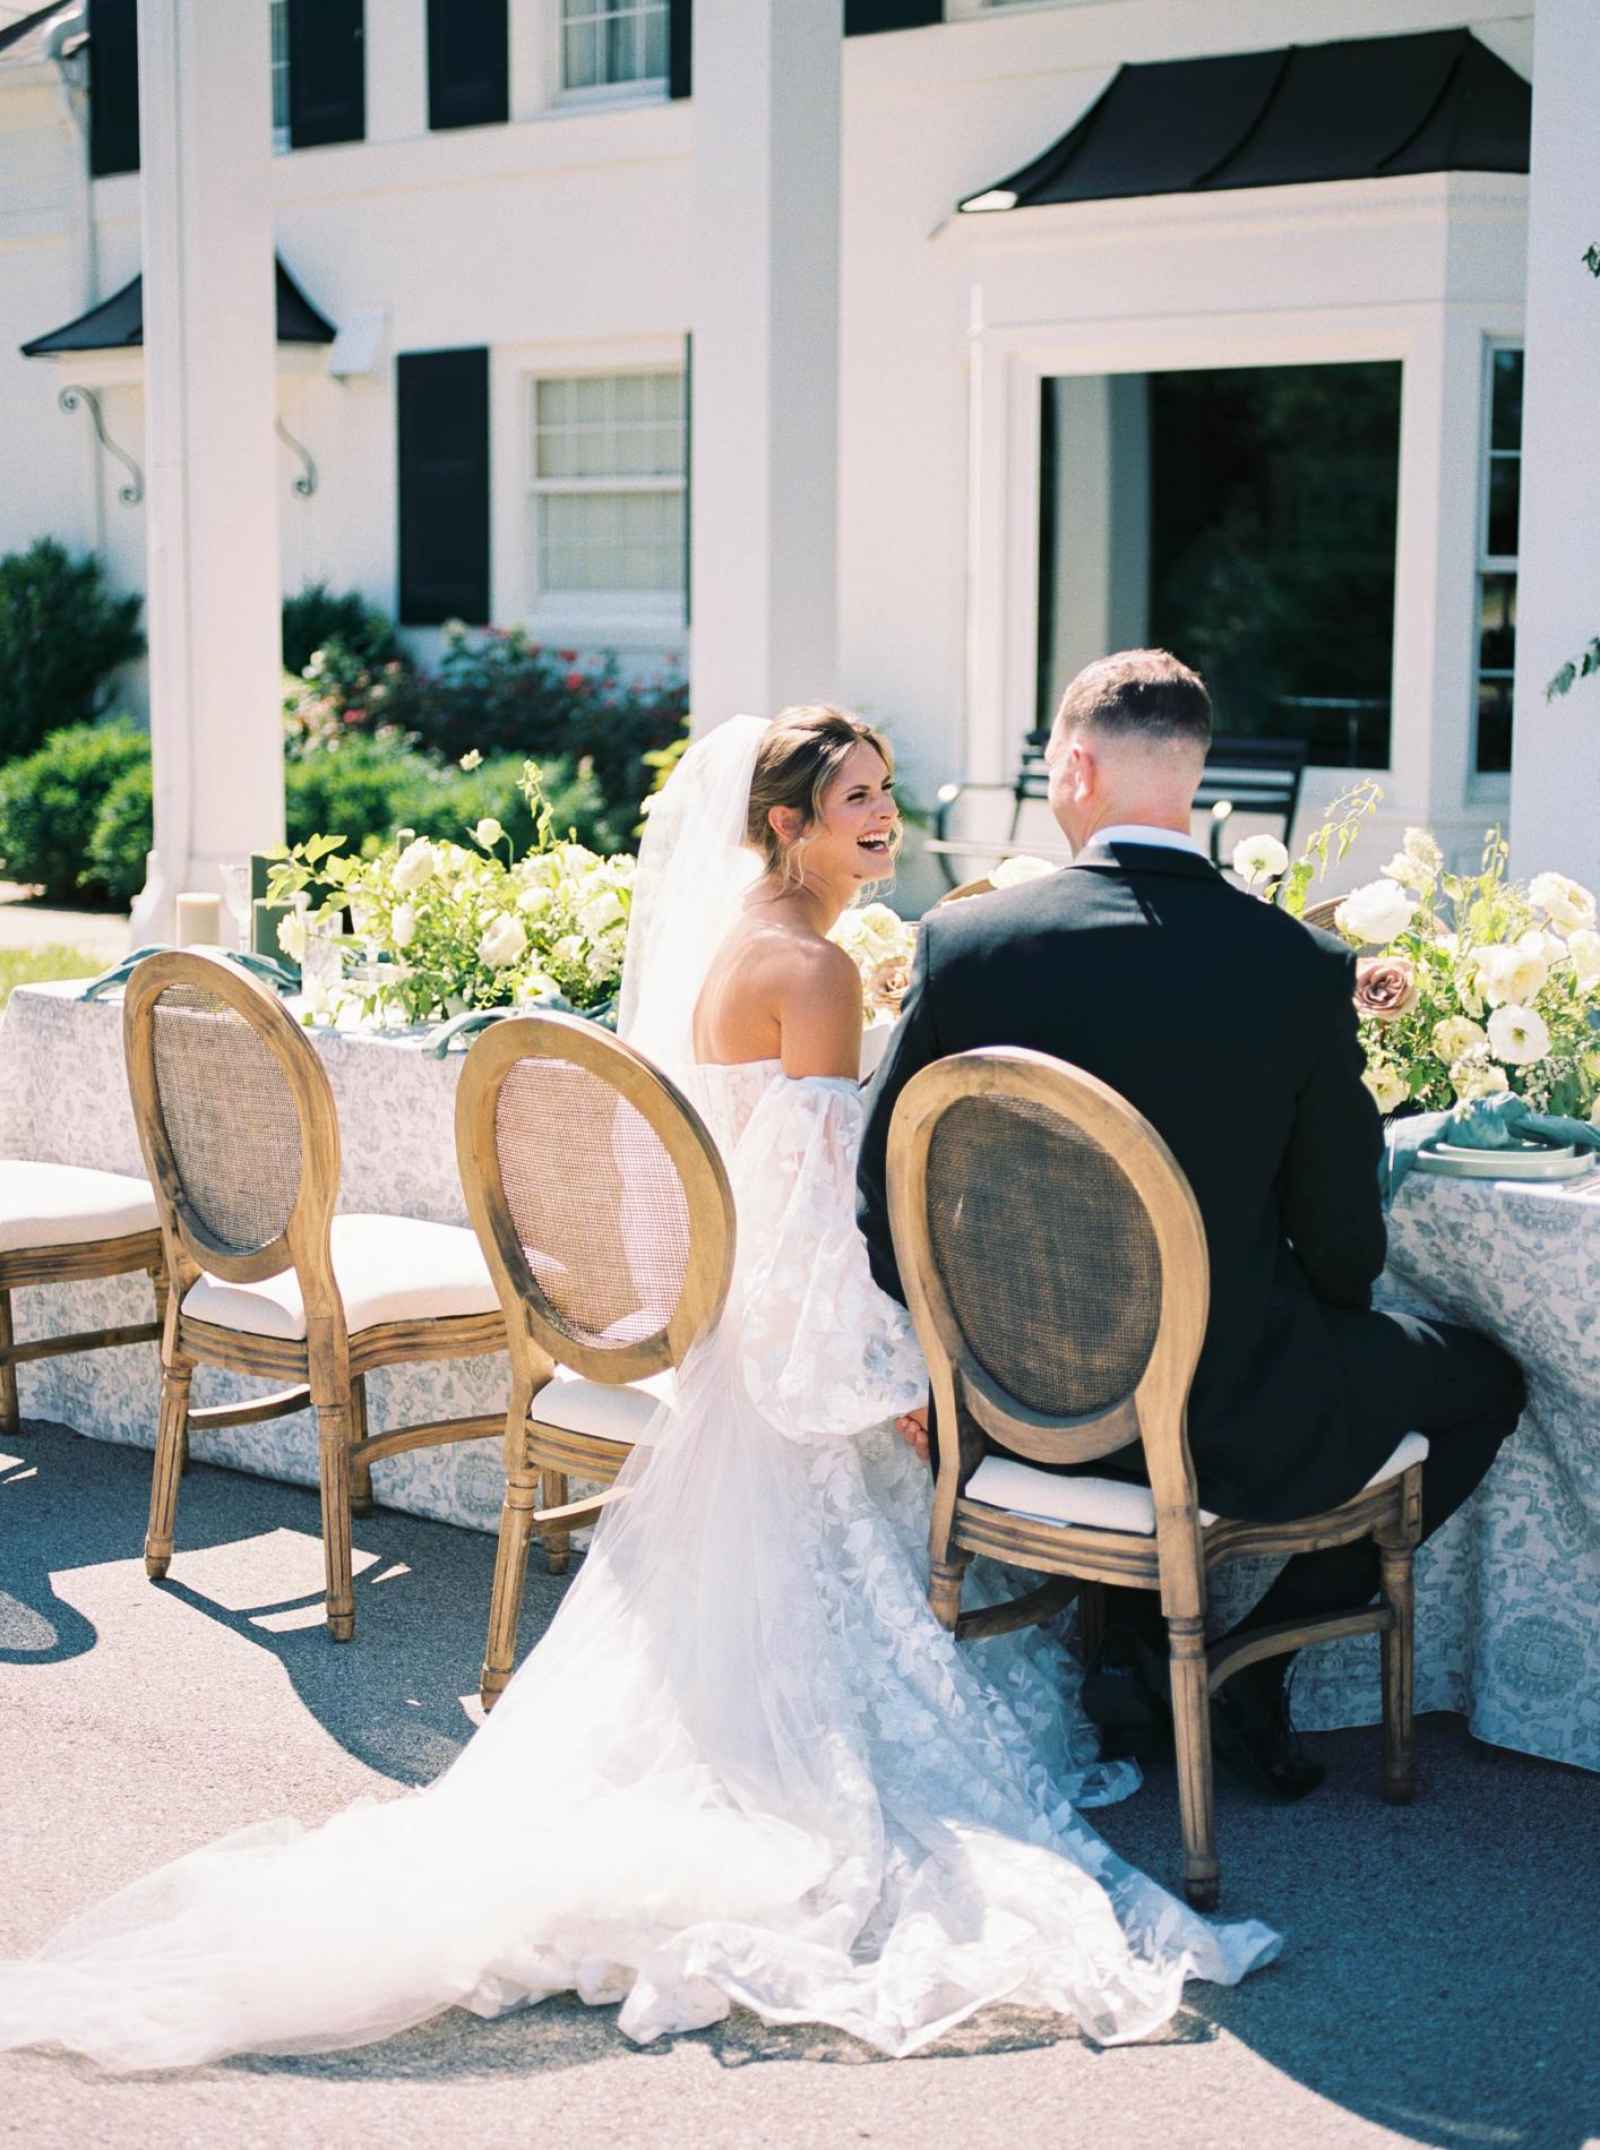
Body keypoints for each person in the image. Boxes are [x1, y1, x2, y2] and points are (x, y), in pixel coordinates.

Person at [0, 705, 1277, 2076]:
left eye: (885, 791)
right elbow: (815, 1222)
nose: (883, 817)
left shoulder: (748, 942)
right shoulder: (815, 970)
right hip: (787, 1342)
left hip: (726, 1333)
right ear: (786, 823)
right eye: (854, 798)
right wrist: (883, 1378)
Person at [857, 651, 1526, 1799]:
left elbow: (880, 1198)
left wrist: (949, 1362)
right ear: (1195, 775)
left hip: (1008, 1409)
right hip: (1228, 1424)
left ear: (1075, 767)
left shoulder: (969, 947)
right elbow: (1344, 1246)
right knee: (1485, 1378)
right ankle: (1244, 1667)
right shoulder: (1295, 965)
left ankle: (1129, 1640)